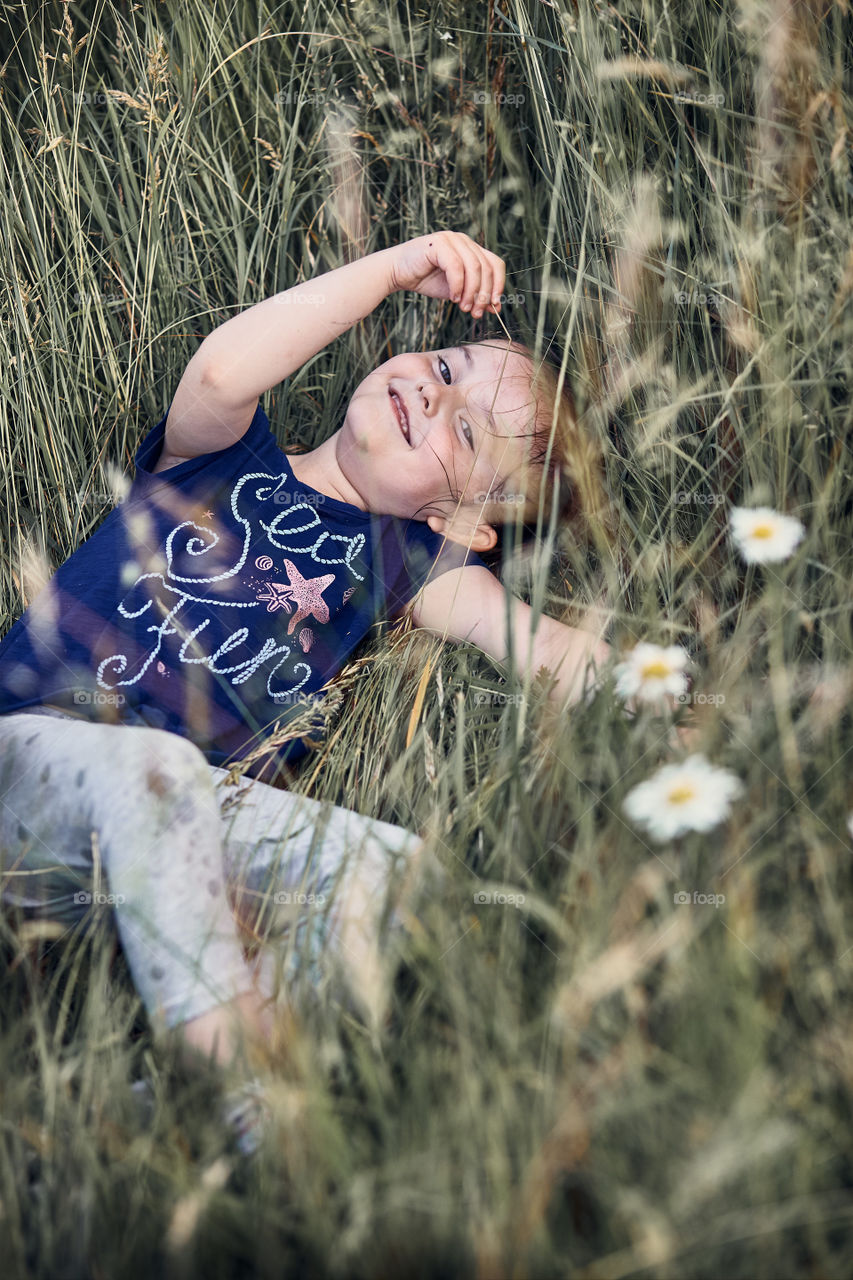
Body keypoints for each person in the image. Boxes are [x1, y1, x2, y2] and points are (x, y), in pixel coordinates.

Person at [0, 231, 621, 1154]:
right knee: (155, 767)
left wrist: (694, 695)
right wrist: (390, 269)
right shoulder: (226, 458)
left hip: (162, 847)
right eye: (447, 364)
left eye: (463, 431)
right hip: (31, 758)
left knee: (402, 878)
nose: (434, 393)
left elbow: (546, 651)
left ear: (456, 520)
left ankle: (148, 1130)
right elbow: (218, 373)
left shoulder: (410, 563)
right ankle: (249, 1103)